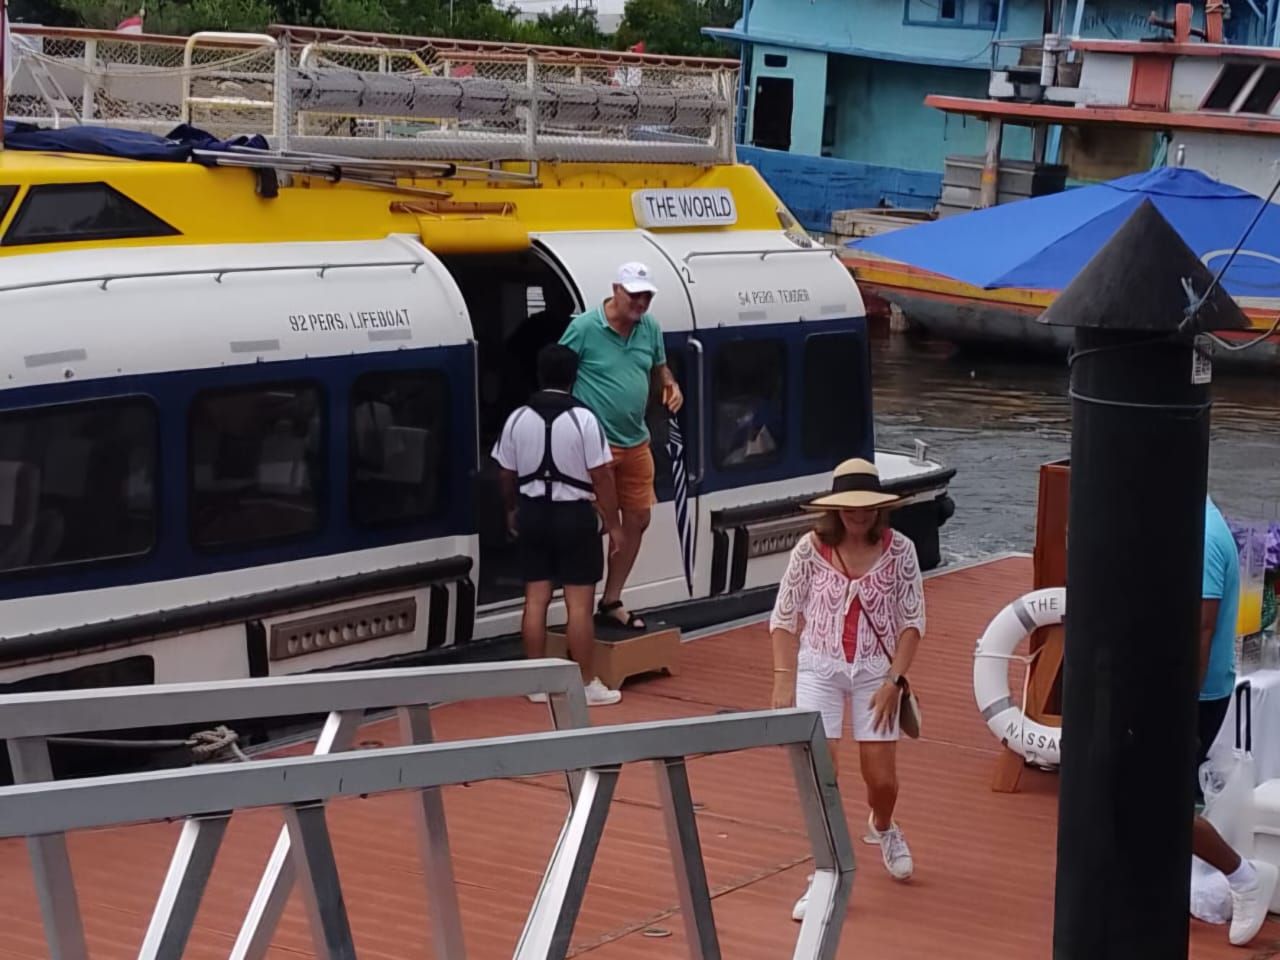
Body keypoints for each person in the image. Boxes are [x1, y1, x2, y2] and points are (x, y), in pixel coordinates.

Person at [769, 458, 924, 919]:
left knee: (880, 778)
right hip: (819, 666)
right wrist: (783, 681)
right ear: (835, 510)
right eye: (849, 508)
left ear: (880, 509)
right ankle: (826, 868)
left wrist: (895, 681)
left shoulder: (902, 551)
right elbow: (784, 616)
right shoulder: (809, 548)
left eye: (866, 508)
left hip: (877, 669)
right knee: (822, 771)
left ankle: (883, 825)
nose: (858, 516)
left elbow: (913, 622)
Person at [492, 344, 624, 707]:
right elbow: (602, 476)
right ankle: (583, 683)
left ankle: (535, 683)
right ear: (574, 376)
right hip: (574, 517)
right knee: (578, 606)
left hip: (533, 512)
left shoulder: (517, 418)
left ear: (539, 374)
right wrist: (613, 525)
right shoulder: (585, 420)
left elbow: (505, 473)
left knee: (535, 600)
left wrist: (512, 509)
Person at [559, 262, 682, 632]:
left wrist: (672, 386)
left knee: (639, 519)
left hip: (636, 439)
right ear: (616, 289)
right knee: (595, 523)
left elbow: (660, 368)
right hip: (595, 445)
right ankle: (578, 606)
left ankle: (611, 599)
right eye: (634, 294)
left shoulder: (651, 327)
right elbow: (558, 373)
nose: (641, 302)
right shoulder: (583, 328)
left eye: (647, 295)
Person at [1191, 495, 1277, 946]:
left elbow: (1201, 626)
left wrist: (1178, 703)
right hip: (1191, 687)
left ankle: (1244, 878)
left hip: (1196, 694)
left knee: (1160, 799)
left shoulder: (1202, 535)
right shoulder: (1195, 521)